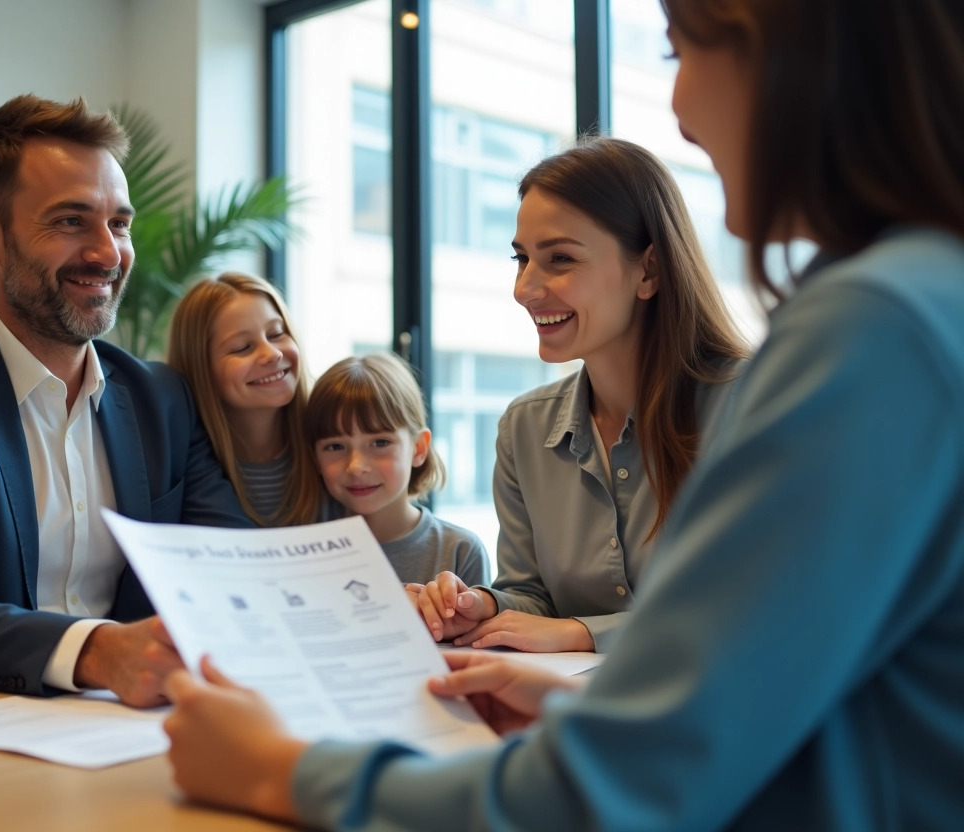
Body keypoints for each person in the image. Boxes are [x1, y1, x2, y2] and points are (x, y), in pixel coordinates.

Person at [160, 1, 964, 828]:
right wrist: (578, 700)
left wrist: (276, 770)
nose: (680, 110)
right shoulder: (918, 301)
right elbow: (801, 707)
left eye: (677, 50)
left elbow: (620, 788)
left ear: (784, 54)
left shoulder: (873, 329)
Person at [0, 94, 251, 706]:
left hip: (144, 728)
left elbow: (231, 567)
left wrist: (383, 606)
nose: (108, 254)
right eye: (69, 221)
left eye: (119, 223)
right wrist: (99, 652)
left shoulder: (159, 398)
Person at [412, 137, 748, 653]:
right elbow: (533, 595)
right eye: (522, 259)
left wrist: (582, 633)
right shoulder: (523, 428)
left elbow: (754, 602)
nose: (525, 288)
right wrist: (483, 607)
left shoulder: (748, 405)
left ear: (649, 270)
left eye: (560, 259)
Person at [305, 353, 490, 587]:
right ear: (315, 457)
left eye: (380, 443)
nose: (356, 467)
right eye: (335, 446)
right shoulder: (302, 550)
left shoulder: (460, 552)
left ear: (418, 447)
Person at [166, 272, 326, 526]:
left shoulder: (332, 436)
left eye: (276, 334)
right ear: (201, 369)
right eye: (242, 347)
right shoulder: (179, 466)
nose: (271, 354)